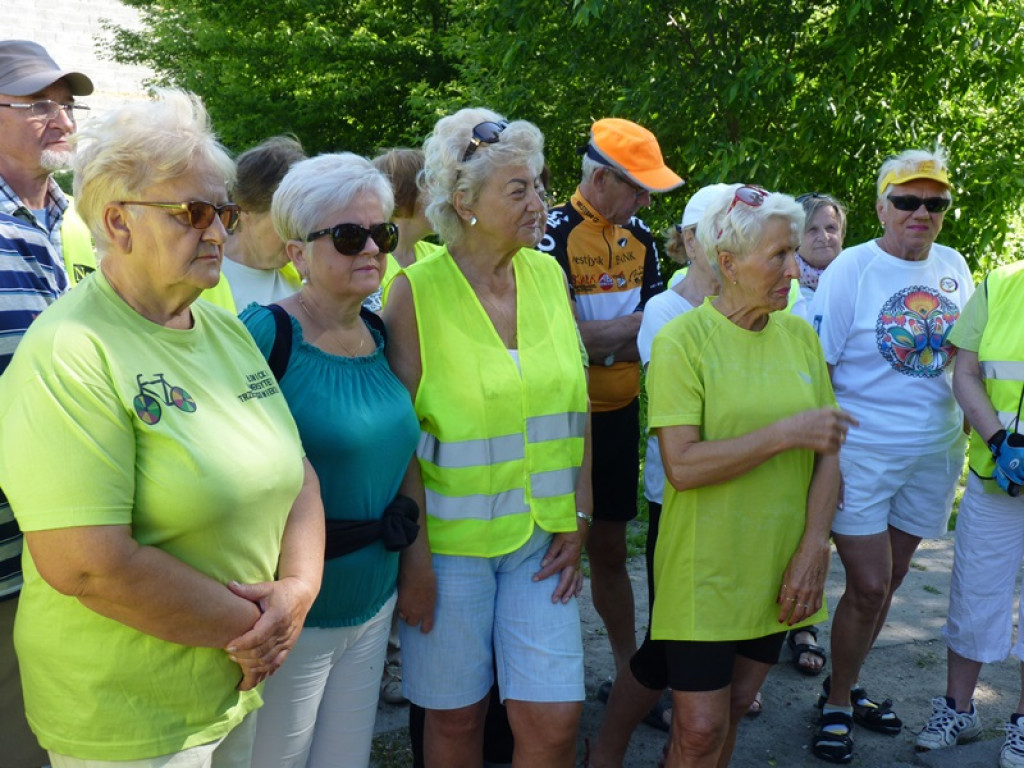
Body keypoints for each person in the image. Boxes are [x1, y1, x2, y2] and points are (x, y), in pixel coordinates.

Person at [0, 89, 324, 766]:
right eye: (195, 212)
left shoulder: (219, 328)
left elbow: (297, 472)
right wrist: (261, 628)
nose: (219, 232)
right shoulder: (70, 352)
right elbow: (90, 565)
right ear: (117, 224)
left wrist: (296, 593)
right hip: (129, 716)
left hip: (233, 682)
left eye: (226, 212)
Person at [384, 107, 592, 767]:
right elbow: (401, 438)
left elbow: (577, 408)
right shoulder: (413, 293)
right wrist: (414, 560)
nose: (541, 205)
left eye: (540, 185)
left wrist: (580, 513)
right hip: (449, 550)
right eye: (520, 190)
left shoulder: (548, 276)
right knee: (454, 723)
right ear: (464, 202)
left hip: (543, 540)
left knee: (555, 722)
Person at [645, 184, 850, 768]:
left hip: (780, 566)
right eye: (779, 256)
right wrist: (785, 434)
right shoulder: (682, 340)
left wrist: (815, 546)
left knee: (733, 708)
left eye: (794, 253)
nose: (796, 267)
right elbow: (682, 466)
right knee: (700, 729)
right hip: (704, 570)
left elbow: (829, 450)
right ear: (728, 264)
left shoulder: (800, 336)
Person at [241, 152, 419, 768]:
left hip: (375, 600)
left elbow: (406, 455)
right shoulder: (262, 335)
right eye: (348, 236)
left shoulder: (382, 332)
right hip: (296, 612)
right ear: (297, 253)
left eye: (382, 233)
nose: (371, 248)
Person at [809, 148, 973, 763]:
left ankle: (841, 683)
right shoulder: (852, 269)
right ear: (882, 205)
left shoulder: (956, 267)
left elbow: (967, 362)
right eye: (907, 200)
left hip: (934, 452)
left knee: (894, 579)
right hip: (862, 453)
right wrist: (825, 464)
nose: (920, 212)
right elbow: (818, 370)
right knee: (871, 585)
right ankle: (837, 704)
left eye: (935, 203)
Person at [538, 117, 680, 685]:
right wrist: (626, 333)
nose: (646, 200)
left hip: (620, 415)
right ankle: (545, 673)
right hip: (563, 419)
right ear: (599, 178)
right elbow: (567, 344)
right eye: (637, 187)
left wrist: (608, 339)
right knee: (550, 551)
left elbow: (657, 332)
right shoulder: (548, 236)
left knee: (612, 550)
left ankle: (628, 673)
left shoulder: (641, 237)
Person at [588, 183, 724, 767]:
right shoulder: (667, 312)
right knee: (665, 636)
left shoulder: (782, 307)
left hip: (742, 496)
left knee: (717, 641)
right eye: (730, 234)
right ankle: (609, 742)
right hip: (672, 484)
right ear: (692, 241)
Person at [0, 39, 94, 768]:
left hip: (82, 554)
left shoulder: (86, 223)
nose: (60, 119)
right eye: (37, 105)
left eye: (66, 104)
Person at [914, 259, 1024, 768]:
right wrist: (1000, 442)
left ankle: (1022, 723)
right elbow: (966, 373)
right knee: (975, 591)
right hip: (997, 472)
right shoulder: (1001, 282)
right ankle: (958, 709)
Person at [216, 135, 306, 309]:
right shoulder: (204, 281)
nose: (300, 235)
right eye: (287, 220)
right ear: (244, 210)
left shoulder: (298, 275)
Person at [372, 148, 442, 311]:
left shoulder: (441, 255)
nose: (444, 198)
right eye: (433, 187)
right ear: (403, 196)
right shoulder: (368, 260)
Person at [793, 192, 848, 308]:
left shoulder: (860, 277)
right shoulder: (781, 284)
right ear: (794, 238)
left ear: (842, 234)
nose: (824, 237)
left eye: (830, 228)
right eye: (812, 229)